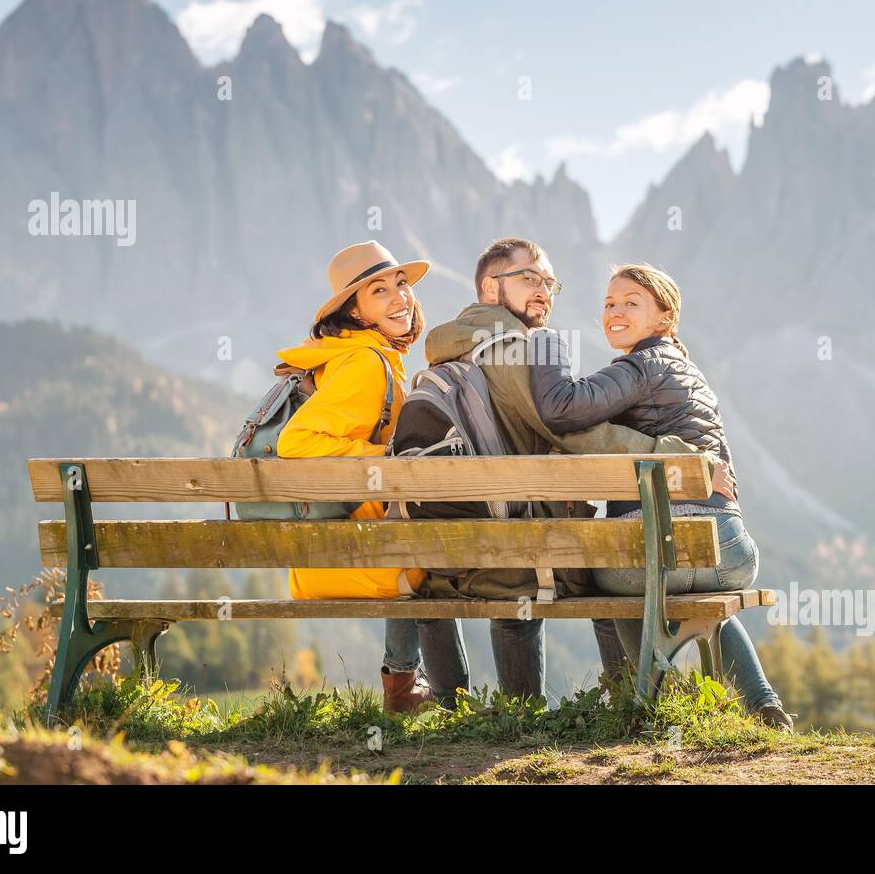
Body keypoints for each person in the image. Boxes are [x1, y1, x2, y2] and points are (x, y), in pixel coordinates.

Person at [423, 238, 704, 701]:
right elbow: (572, 432)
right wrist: (671, 454)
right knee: (609, 567)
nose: (544, 291)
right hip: (514, 546)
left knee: (516, 566)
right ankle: (629, 704)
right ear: (491, 288)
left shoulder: (448, 347)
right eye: (530, 278)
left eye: (549, 282)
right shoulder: (511, 349)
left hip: (449, 540)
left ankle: (497, 710)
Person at [526, 263, 795, 731]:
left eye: (631, 302)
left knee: (621, 579)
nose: (615, 311)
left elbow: (562, 406)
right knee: (705, 597)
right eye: (609, 303)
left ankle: (647, 700)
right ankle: (762, 703)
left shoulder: (640, 366)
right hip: (726, 552)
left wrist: (545, 342)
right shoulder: (688, 372)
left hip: (646, 560)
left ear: (664, 318)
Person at [275, 240, 468, 712]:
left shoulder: (361, 355)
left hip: (342, 540)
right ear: (356, 312)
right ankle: (442, 698)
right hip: (350, 550)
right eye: (379, 291)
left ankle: (412, 689)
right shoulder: (364, 364)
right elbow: (295, 443)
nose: (399, 296)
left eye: (400, 284)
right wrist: (386, 455)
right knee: (440, 552)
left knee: (425, 543)